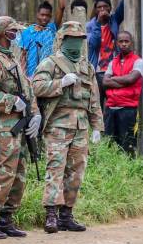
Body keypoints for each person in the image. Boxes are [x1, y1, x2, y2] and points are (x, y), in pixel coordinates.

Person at [32, 21, 104, 233]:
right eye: (71, 39)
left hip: (81, 125)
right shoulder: (51, 63)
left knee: (76, 171)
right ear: (62, 40)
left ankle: (66, 214)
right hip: (58, 124)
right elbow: (36, 86)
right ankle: (51, 215)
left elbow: (94, 98)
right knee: (55, 168)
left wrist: (97, 125)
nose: (75, 43)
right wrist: (60, 83)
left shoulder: (86, 67)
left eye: (79, 40)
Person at [0, 16, 41, 239]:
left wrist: (35, 115)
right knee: (3, 172)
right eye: (13, 31)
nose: (17, 34)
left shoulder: (10, 58)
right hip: (3, 127)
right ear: (3, 33)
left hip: (20, 125)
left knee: (19, 173)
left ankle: (5, 219)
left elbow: (28, 89)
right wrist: (12, 102)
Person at [102, 31, 143, 156]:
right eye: (121, 41)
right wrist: (124, 81)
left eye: (127, 41)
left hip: (128, 109)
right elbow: (104, 82)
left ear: (131, 43)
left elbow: (131, 79)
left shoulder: (138, 61)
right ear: (116, 43)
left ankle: (128, 173)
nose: (124, 44)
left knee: (127, 145)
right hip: (110, 108)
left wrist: (113, 79)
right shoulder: (112, 62)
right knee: (109, 144)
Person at [86, 0, 125, 112]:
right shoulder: (90, 25)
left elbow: (124, 5)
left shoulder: (114, 20)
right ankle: (98, 130)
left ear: (110, 7)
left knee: (113, 103)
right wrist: (98, 23)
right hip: (97, 72)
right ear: (96, 9)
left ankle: (110, 130)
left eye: (105, 6)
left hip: (113, 71)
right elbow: (94, 43)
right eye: (99, 7)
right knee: (97, 105)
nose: (102, 9)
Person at [20, 0, 65, 77]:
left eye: (47, 15)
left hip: (48, 73)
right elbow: (23, 56)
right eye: (42, 15)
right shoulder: (27, 32)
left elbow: (62, 7)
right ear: (37, 15)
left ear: (51, 16)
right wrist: (23, 77)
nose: (44, 18)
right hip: (31, 74)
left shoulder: (51, 29)